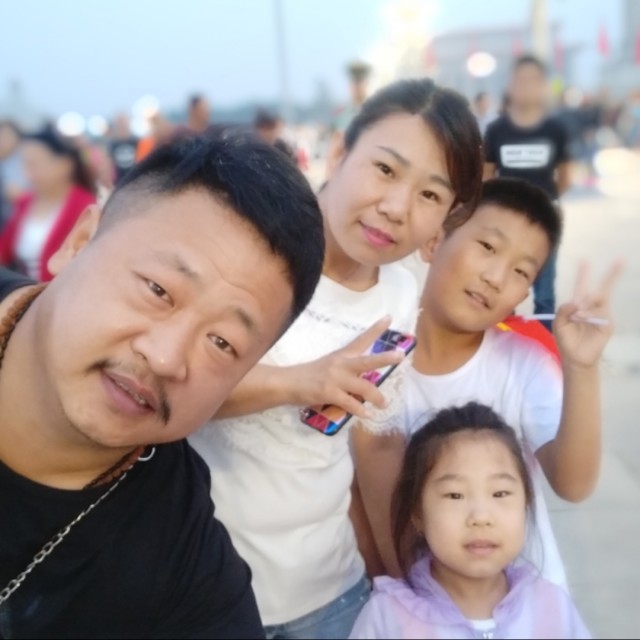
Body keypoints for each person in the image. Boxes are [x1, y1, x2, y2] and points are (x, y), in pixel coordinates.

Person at [190, 78, 484, 640]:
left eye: (430, 195)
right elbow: (176, 386)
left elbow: (372, 444)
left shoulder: (399, 295)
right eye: (386, 169)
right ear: (340, 152)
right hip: (211, 594)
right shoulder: (252, 249)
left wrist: (401, 578)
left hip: (331, 593)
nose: (396, 208)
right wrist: (299, 383)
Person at [0, 134, 325, 638]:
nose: (167, 357)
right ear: (78, 244)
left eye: (222, 343)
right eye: (157, 290)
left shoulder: (184, 566)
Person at [354, 178, 621, 589]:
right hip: (415, 605)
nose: (496, 277)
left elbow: (573, 483)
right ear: (435, 241)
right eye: (487, 247)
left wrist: (581, 369)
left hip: (526, 608)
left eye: (521, 271)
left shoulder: (522, 364)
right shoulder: (374, 357)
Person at [350, 403, 591, 639]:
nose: (480, 517)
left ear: (525, 502)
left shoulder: (552, 607)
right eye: (455, 495)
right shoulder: (389, 617)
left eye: (500, 493)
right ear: (418, 514)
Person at [484, 54, 571, 328]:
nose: (526, 87)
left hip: (545, 220)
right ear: (510, 85)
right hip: (505, 222)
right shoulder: (497, 130)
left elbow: (566, 176)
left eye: (534, 80)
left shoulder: (555, 130)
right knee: (502, 282)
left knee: (544, 292)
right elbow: (486, 175)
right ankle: (502, 337)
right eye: (520, 80)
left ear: (543, 85)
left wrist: (544, 203)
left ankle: (544, 342)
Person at [0, 128, 96, 281]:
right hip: (27, 290)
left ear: (64, 165)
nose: (27, 175)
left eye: (34, 165)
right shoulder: (25, 202)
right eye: (25, 165)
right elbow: (5, 249)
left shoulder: (85, 207)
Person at [0, 120, 28, 226]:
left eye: (7, 137)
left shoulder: (22, 163)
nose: (2, 140)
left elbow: (15, 193)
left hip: (9, 218)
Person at [109, 113, 139, 183]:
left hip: (135, 179)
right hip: (118, 181)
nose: (122, 126)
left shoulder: (137, 141)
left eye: (123, 123)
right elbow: (109, 163)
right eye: (120, 123)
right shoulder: (113, 144)